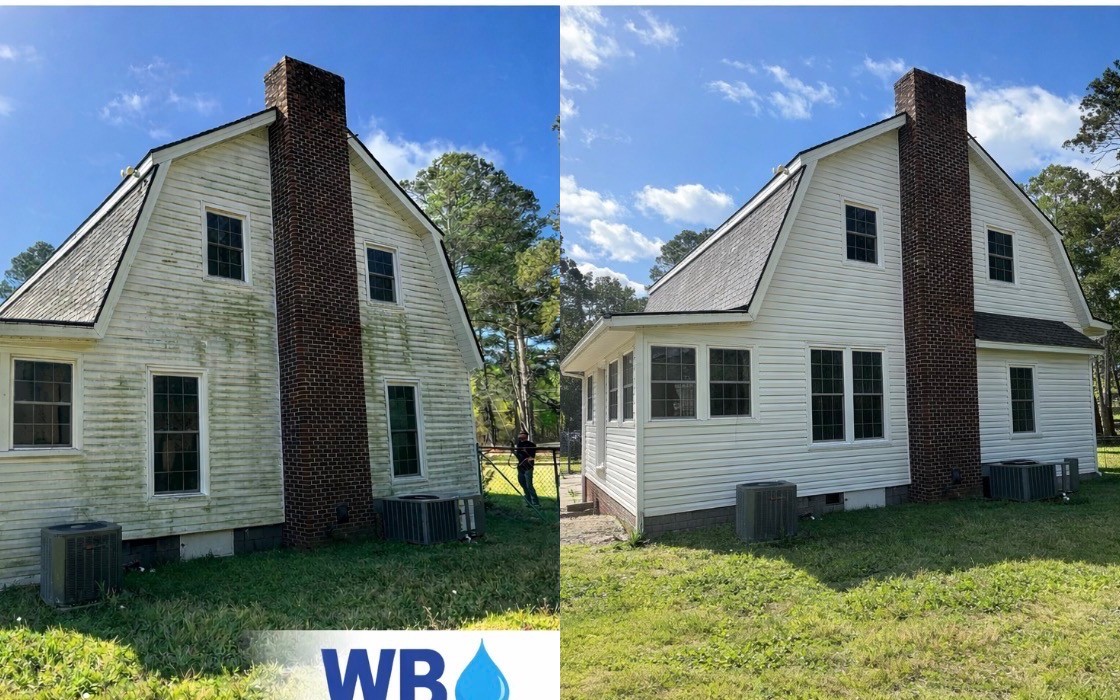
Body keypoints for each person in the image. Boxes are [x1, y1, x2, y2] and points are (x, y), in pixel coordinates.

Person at [513, 429, 540, 507]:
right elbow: (518, 456)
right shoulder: (518, 445)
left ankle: (535, 502)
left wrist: (526, 452)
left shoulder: (531, 444)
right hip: (520, 467)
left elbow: (532, 457)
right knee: (523, 484)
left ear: (526, 436)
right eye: (519, 434)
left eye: (521, 434)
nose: (519, 435)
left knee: (529, 485)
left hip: (528, 467)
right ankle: (528, 502)